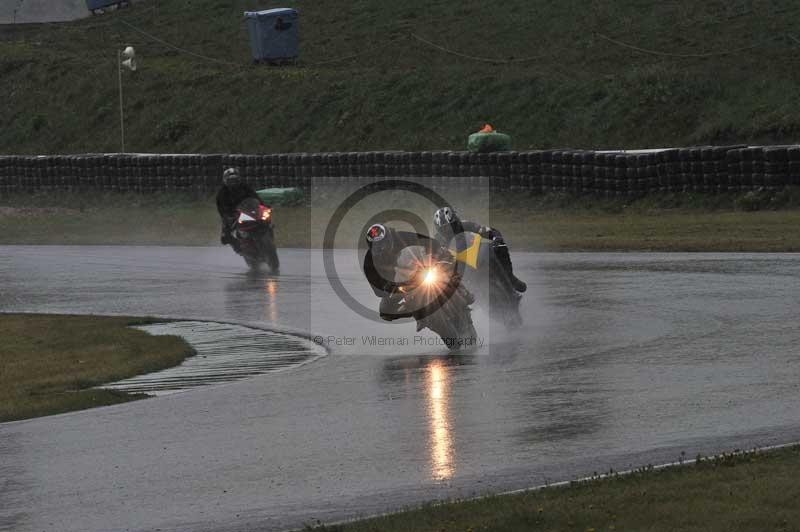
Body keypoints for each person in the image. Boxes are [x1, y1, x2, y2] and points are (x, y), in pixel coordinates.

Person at [363, 223, 452, 321]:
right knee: (385, 312)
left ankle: (464, 292)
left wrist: (437, 253)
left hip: (420, 268)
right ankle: (415, 311)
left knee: (446, 265)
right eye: (376, 246)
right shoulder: (369, 263)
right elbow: (378, 291)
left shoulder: (400, 237)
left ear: (389, 239)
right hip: (401, 284)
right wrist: (388, 287)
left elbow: (430, 241)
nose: (381, 248)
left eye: (383, 244)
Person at [433, 206, 527, 293]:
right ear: (438, 229)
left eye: (450, 226)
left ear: (456, 222)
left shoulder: (466, 225)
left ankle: (510, 278)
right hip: (457, 266)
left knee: (498, 247)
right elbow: (429, 254)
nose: (447, 230)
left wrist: (495, 237)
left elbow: (484, 230)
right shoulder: (437, 240)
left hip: (477, 254)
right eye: (443, 229)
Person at [215, 167, 261, 249]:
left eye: (235, 180)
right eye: (230, 180)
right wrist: (228, 215)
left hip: (248, 210)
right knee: (225, 236)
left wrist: (263, 205)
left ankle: (266, 233)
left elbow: (255, 196)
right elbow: (221, 208)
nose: (233, 182)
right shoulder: (222, 193)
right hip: (232, 213)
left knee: (265, 217)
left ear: (238, 179)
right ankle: (238, 248)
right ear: (226, 180)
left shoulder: (244, 187)